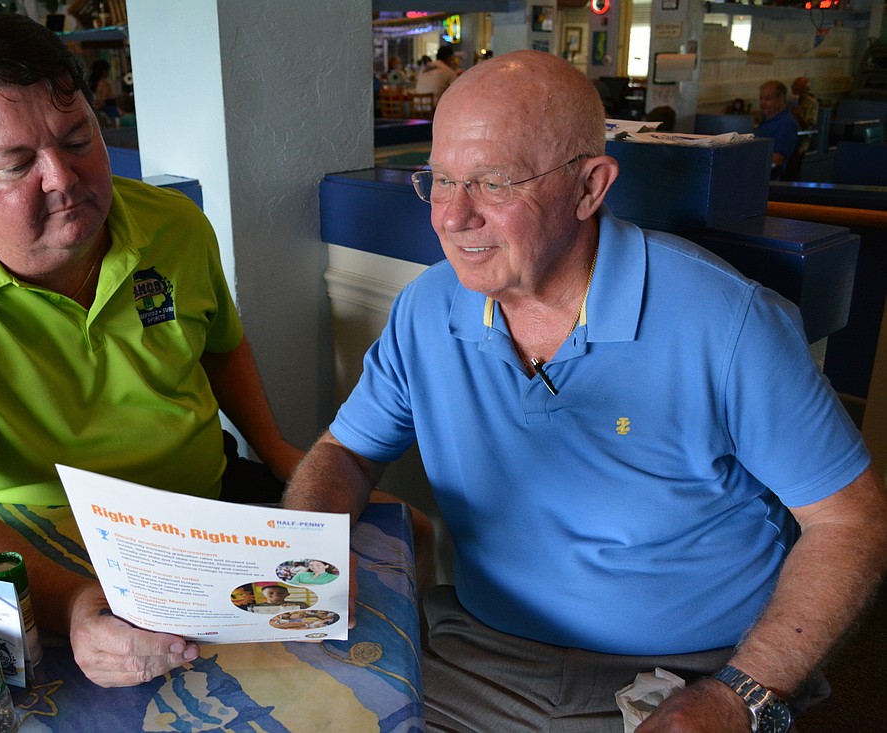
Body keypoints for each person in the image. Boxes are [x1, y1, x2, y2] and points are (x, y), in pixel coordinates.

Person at [283, 50, 887, 733]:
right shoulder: (426, 310)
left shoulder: (728, 320)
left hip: (694, 670)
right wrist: (310, 550)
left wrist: (740, 693)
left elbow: (850, 522)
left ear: (590, 187)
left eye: (494, 182)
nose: (451, 217)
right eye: (441, 179)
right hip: (481, 654)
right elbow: (347, 453)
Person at [0, 12, 305, 688]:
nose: (63, 178)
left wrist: (280, 452)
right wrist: (76, 603)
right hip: (38, 548)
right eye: (16, 164)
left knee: (377, 561)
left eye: (78, 139)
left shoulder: (174, 226)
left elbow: (222, 348)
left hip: (203, 513)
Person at [756, 80, 800, 178]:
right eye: (761, 98)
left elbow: (777, 159)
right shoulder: (767, 121)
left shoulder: (786, 124)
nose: (762, 103)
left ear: (781, 99)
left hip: (770, 178)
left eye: (767, 99)